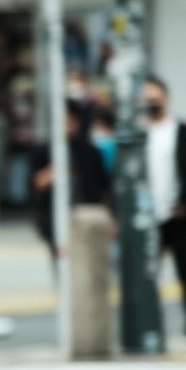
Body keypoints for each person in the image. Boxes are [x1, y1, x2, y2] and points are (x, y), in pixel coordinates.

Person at [141, 75, 186, 338]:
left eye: (155, 98)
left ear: (166, 98)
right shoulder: (137, 133)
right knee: (146, 275)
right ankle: (151, 327)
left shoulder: (184, 131)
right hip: (146, 215)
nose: (151, 103)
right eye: (146, 99)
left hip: (179, 215)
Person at [30, 100, 110, 263]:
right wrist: (47, 177)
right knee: (63, 266)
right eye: (64, 121)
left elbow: (104, 187)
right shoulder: (44, 151)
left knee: (89, 265)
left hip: (88, 218)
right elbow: (33, 185)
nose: (68, 126)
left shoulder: (90, 152)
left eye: (72, 121)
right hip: (56, 220)